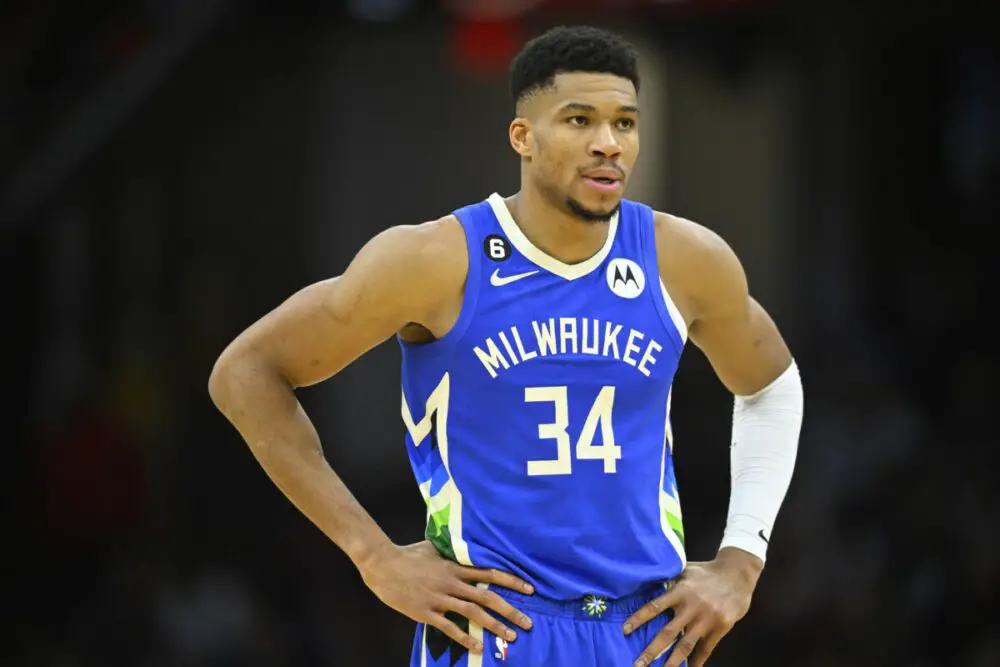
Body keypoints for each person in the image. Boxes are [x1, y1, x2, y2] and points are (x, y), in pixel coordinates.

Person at [209, 24, 803, 667]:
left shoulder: (685, 259)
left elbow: (771, 386)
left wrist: (742, 559)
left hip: (646, 633)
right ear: (523, 137)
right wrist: (372, 555)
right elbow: (246, 373)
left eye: (625, 124)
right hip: (496, 633)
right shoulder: (435, 259)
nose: (608, 144)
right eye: (579, 120)